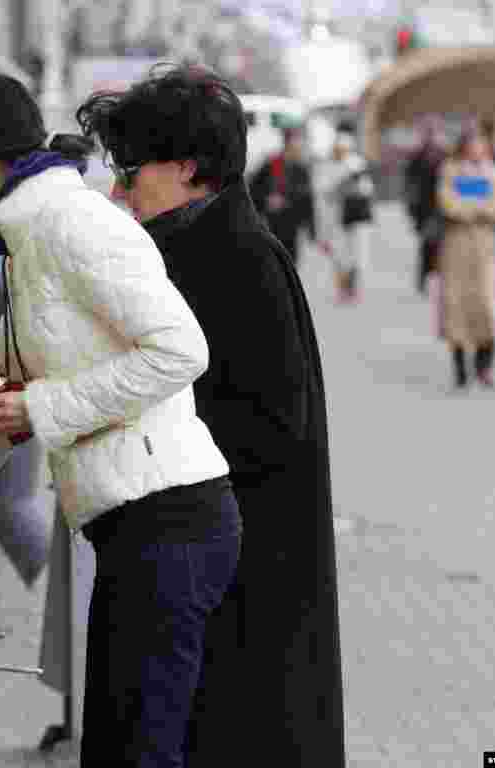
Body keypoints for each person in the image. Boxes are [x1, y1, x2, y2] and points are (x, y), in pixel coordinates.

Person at [0, 73, 241, 768]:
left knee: (141, 753)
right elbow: (4, 400)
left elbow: (180, 350)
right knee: (112, 748)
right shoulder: (26, 236)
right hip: (134, 528)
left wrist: (42, 408)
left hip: (173, 524)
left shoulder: (73, 225)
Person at [77, 64, 345, 767]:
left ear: (190, 169)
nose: (118, 192)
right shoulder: (195, 247)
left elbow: (264, 431)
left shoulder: (235, 264)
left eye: (131, 173)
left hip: (230, 583)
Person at [436, 125, 495, 391]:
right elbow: (448, 204)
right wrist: (478, 205)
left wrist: (470, 203)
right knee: (456, 305)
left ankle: (484, 365)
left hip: (485, 248)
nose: (477, 149)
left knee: (487, 304)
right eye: (472, 143)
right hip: (455, 247)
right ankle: (459, 368)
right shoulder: (450, 170)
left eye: (481, 144)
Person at [315, 131, 376, 303]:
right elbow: (324, 193)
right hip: (337, 219)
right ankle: (342, 290)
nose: (340, 152)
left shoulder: (357, 165)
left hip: (356, 218)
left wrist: (349, 187)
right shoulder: (327, 167)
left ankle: (353, 290)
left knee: (357, 256)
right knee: (340, 256)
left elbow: (366, 190)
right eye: (337, 149)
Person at [248, 120, 317, 268]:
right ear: (288, 143)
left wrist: (311, 227)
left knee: (291, 261)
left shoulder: (301, 167)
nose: (299, 145)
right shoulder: (273, 163)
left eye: (300, 141)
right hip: (274, 221)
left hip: (292, 221)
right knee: (276, 260)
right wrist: (267, 200)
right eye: (296, 141)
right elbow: (253, 189)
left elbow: (307, 197)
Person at [404, 117, 448, 295]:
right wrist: (411, 209)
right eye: (428, 131)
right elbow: (410, 185)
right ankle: (424, 279)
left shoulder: (446, 155)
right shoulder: (417, 157)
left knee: (442, 246)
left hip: (443, 207)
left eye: (434, 131)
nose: (431, 135)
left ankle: (440, 279)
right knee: (427, 246)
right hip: (424, 209)